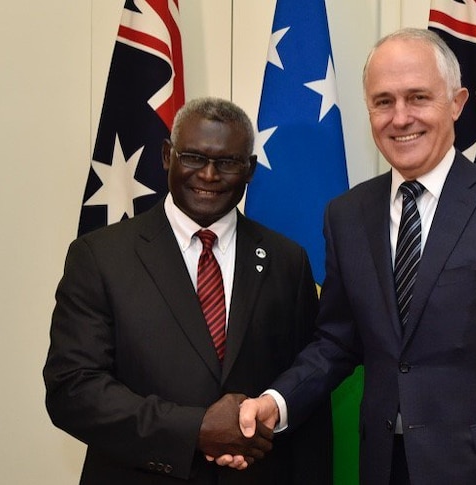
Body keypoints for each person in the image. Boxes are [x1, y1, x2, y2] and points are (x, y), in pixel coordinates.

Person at [230, 28, 476, 484]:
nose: (400, 117)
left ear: (456, 102)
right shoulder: (347, 215)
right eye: (383, 101)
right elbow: (337, 340)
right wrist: (276, 401)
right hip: (384, 467)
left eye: (418, 97)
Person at [43, 97, 332, 485]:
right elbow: (73, 390)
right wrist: (194, 429)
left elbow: (306, 391)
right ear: (167, 156)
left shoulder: (287, 261)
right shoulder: (99, 257)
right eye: (194, 157)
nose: (209, 175)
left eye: (227, 162)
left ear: (248, 170)